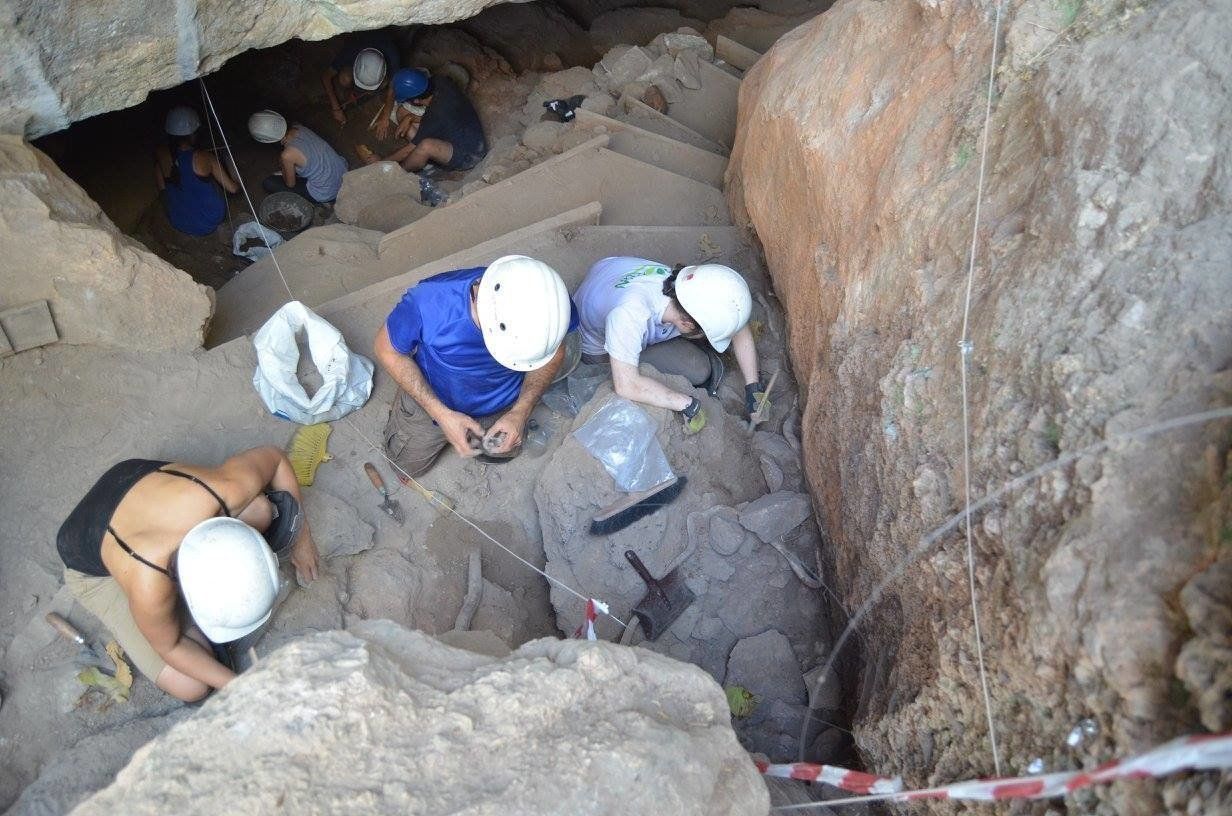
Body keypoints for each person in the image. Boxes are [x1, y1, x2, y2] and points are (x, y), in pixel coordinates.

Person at [56, 448, 320, 702]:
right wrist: (241, 687)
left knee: (260, 510)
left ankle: (195, 631)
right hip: (94, 570)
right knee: (192, 685)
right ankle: (189, 628)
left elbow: (276, 459)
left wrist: (302, 539)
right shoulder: (149, 582)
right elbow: (170, 647)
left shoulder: (224, 489)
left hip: (132, 478)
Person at [373, 255, 576, 477]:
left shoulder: (552, 303)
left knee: (503, 452)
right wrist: (442, 415)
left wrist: (521, 411)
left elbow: (555, 352)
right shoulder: (430, 302)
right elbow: (387, 350)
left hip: (502, 403)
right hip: (436, 399)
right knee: (405, 468)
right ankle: (407, 404)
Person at [575, 257, 767, 434]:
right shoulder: (630, 316)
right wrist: (687, 404)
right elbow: (626, 385)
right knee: (698, 370)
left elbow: (738, 326)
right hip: (595, 342)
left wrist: (753, 388)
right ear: (687, 324)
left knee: (695, 365)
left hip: (609, 275)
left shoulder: (686, 285)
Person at [362, 68, 488, 173]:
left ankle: (399, 173)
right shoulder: (439, 81)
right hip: (461, 126)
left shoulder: (434, 116)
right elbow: (440, 118)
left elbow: (407, 151)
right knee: (403, 113)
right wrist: (410, 117)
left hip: (470, 153)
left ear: (416, 101)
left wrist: (382, 162)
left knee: (425, 146)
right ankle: (426, 160)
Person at [154, 105, 237, 236]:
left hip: (179, 221)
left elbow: (164, 194)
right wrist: (229, 162)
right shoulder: (204, 156)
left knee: (186, 186)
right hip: (208, 221)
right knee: (211, 181)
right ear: (193, 133)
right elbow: (233, 189)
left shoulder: (161, 157)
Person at [249, 109, 349, 204]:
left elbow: (290, 184)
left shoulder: (287, 155)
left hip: (328, 192)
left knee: (269, 183)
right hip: (343, 174)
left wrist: (283, 167)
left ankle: (322, 202)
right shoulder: (300, 128)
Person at [320, 32, 401, 139]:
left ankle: (368, 90)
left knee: (384, 85)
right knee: (344, 78)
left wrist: (385, 116)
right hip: (362, 39)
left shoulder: (393, 57)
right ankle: (352, 91)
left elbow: (392, 89)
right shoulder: (352, 49)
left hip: (384, 40)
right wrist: (335, 107)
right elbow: (326, 76)